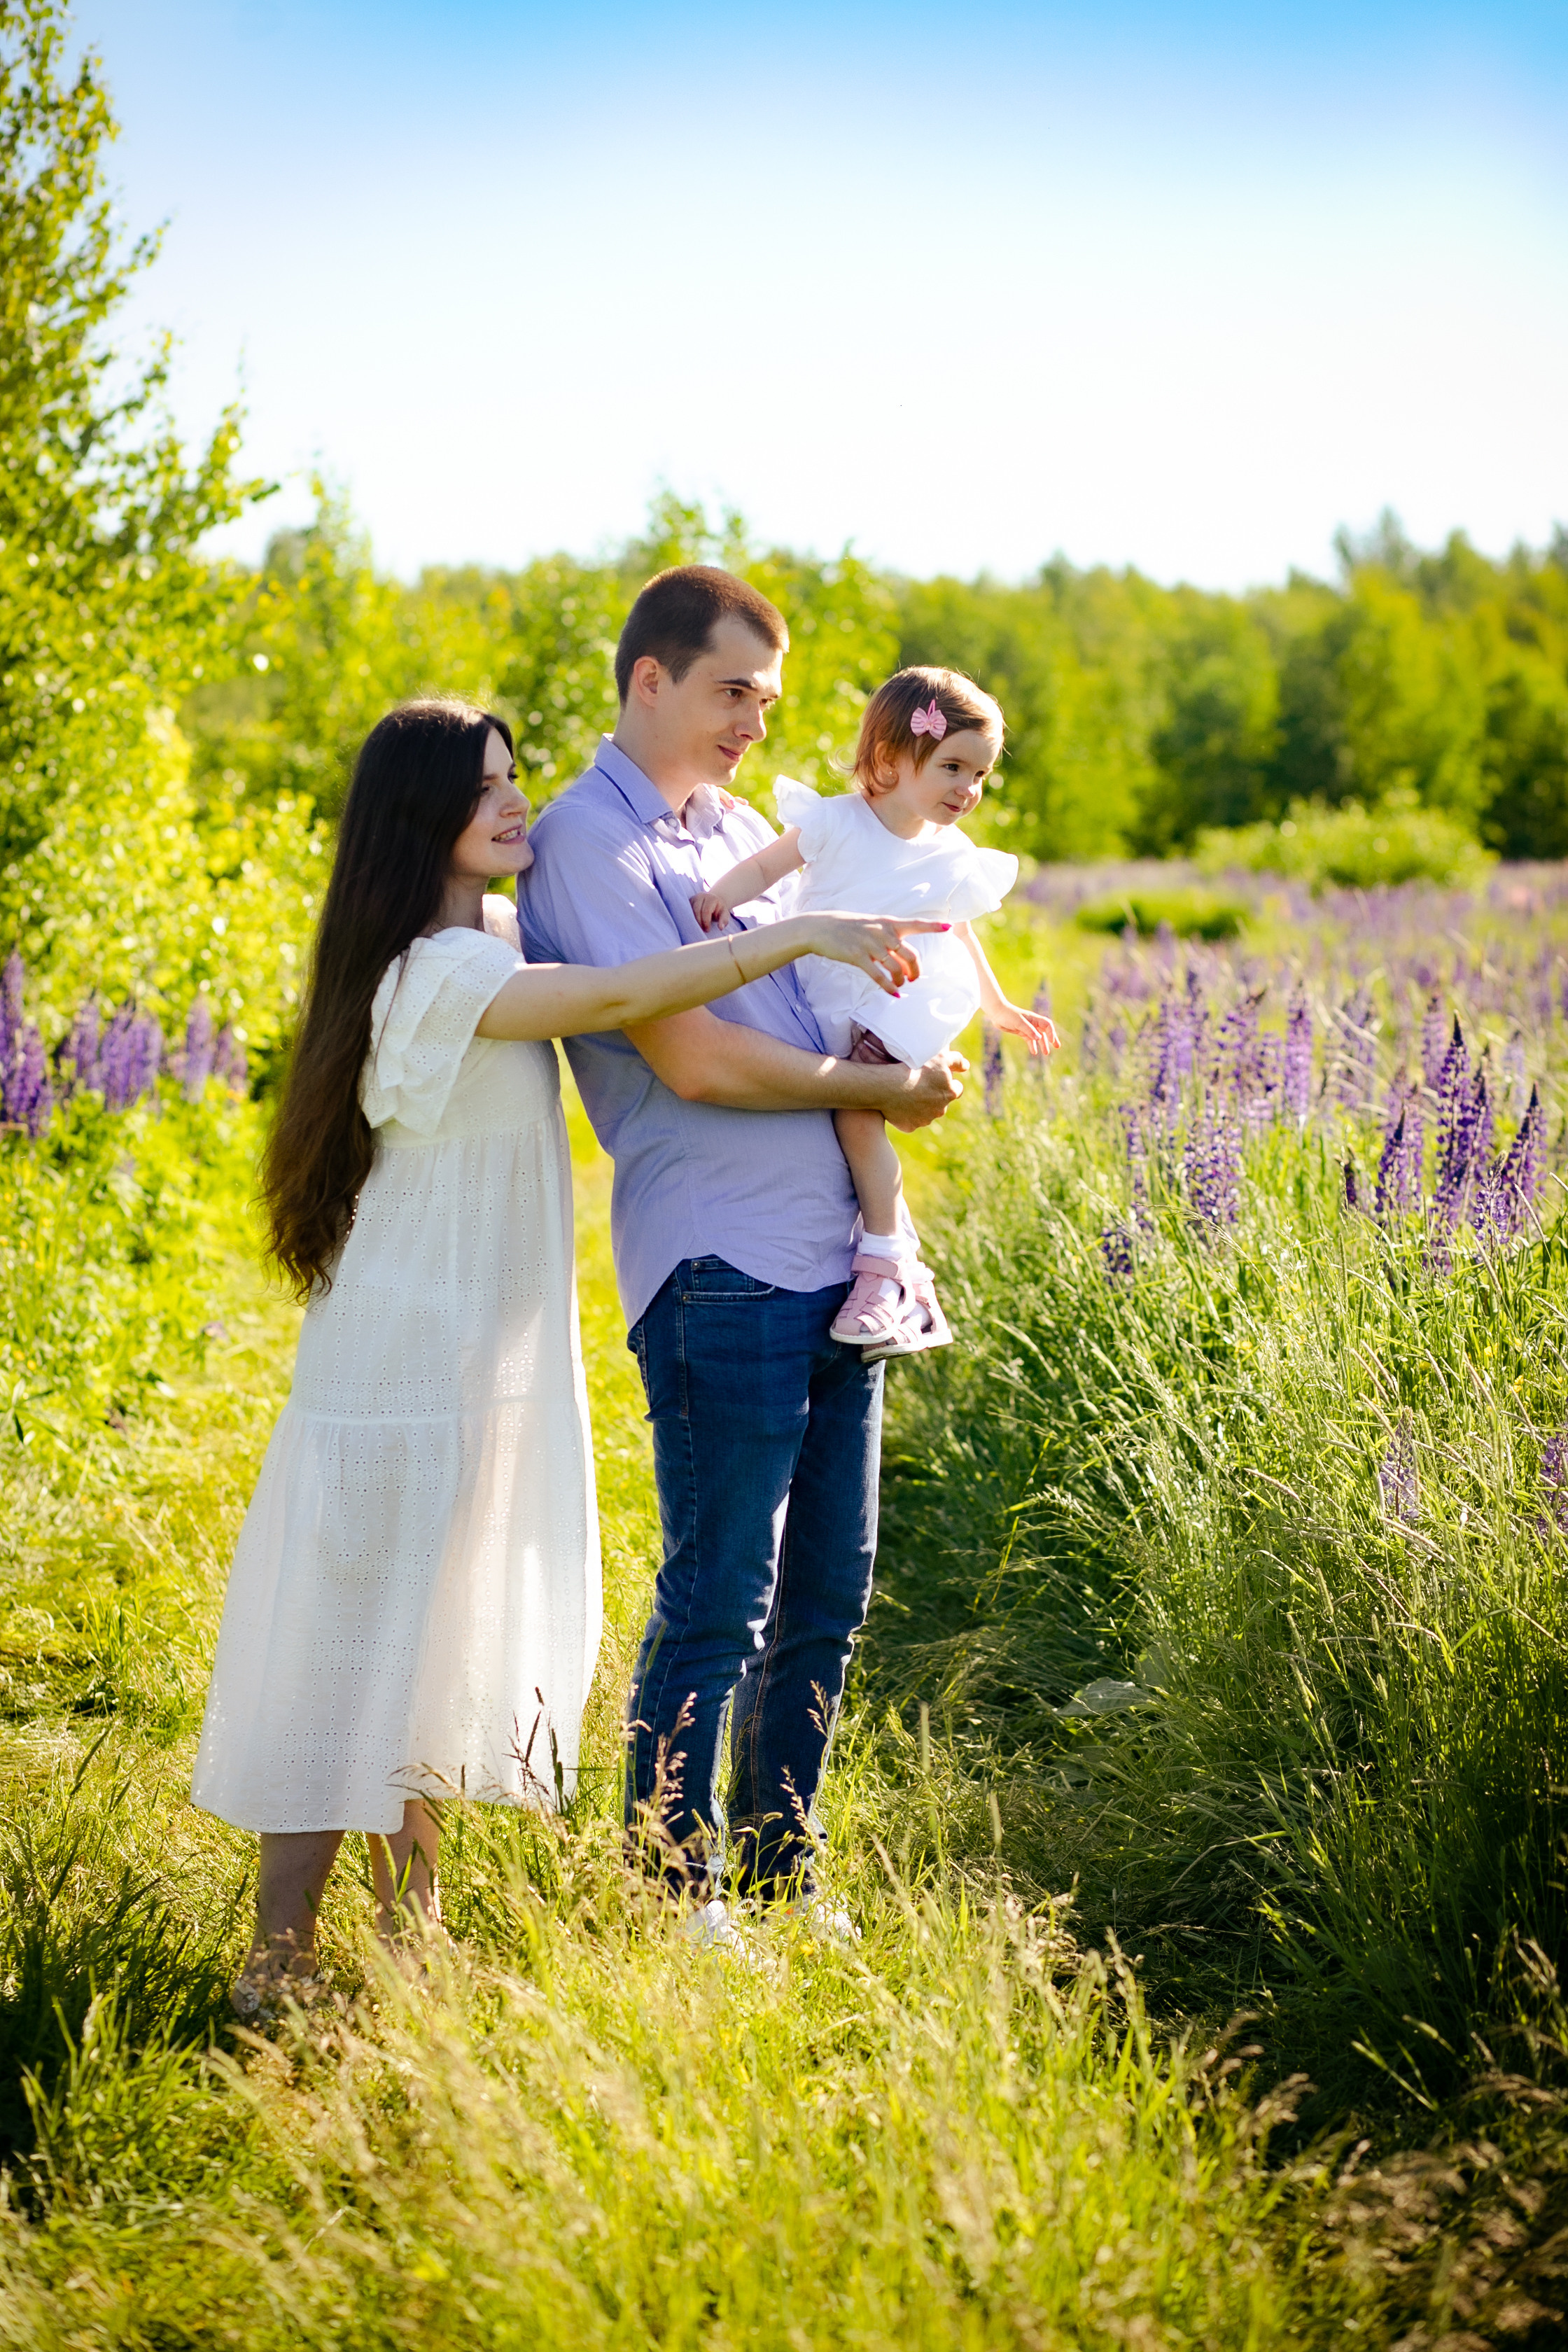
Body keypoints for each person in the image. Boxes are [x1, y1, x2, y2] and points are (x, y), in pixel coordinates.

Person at [190, 695, 938, 2017]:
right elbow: (624, 992)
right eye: (482, 789)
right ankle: (276, 1963)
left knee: (413, 1649)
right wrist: (805, 928)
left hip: (459, 1357)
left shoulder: (475, 938)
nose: (513, 801)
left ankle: (409, 1946)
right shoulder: (445, 970)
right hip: (401, 1369)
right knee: (346, 1649)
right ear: (420, 819)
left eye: (515, 775)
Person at [519, 567, 966, 1942]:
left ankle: (784, 1880)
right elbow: (698, 1061)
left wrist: (917, 1043)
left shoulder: (751, 825)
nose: (752, 724)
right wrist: (875, 1092)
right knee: (722, 1590)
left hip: (839, 1257)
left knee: (828, 1594)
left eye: (767, 701)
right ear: (646, 678)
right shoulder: (586, 844)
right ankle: (670, 1889)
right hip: (718, 1262)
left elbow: (837, 1001)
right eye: (730, 693)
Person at [691, 665, 1060, 1356]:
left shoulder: (949, 852)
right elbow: (768, 868)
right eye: (952, 767)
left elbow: (958, 932)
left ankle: (884, 1263)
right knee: (832, 1117)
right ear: (892, 757)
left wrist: (997, 1004)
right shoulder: (835, 822)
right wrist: (721, 894)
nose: (967, 790)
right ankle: (904, 1269)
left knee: (856, 1115)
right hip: (829, 989)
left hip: (905, 992)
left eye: (978, 775)